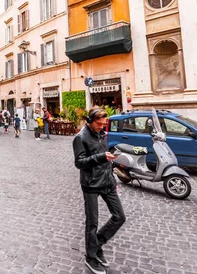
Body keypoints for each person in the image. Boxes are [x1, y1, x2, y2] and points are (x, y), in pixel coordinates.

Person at [72, 108, 126, 274]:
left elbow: (106, 158)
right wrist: (102, 156)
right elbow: (79, 162)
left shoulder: (102, 133)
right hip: (91, 184)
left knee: (119, 217)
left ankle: (97, 244)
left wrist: (113, 178)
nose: (102, 127)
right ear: (90, 120)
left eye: (104, 124)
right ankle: (91, 257)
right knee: (92, 222)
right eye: (99, 124)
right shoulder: (80, 138)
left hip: (107, 182)